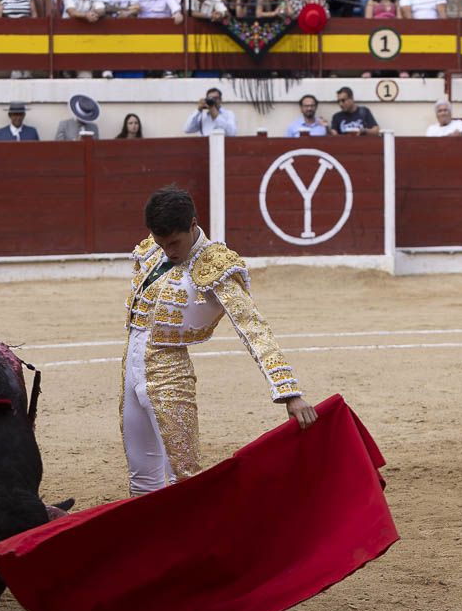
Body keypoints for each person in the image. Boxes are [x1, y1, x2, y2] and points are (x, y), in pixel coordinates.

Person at [121, 185, 317, 496]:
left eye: (174, 242)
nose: (168, 251)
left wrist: (289, 391)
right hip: (130, 368)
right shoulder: (152, 251)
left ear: (193, 224)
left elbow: (253, 327)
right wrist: (161, 246)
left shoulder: (216, 266)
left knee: (184, 479)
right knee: (141, 477)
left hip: (170, 374)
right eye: (162, 242)